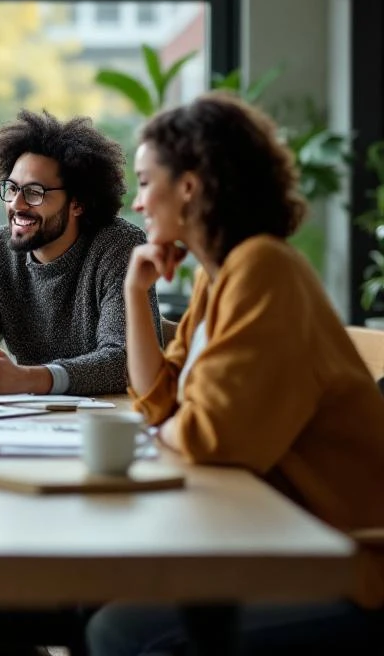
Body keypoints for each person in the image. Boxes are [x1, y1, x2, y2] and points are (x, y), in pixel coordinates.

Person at [87, 92, 384, 655]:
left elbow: (208, 439)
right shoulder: (218, 276)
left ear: (190, 187)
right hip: (277, 537)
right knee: (96, 596)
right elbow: (157, 403)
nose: (140, 204)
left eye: (148, 182)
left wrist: (170, 425)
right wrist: (134, 293)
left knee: (121, 629)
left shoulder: (264, 270)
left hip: (347, 562)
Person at [0, 109, 161, 397]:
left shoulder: (118, 247)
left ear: (77, 203)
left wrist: (29, 379)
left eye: (35, 192)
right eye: (11, 188)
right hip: (34, 421)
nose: (17, 203)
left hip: (106, 420)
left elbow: (123, 360)